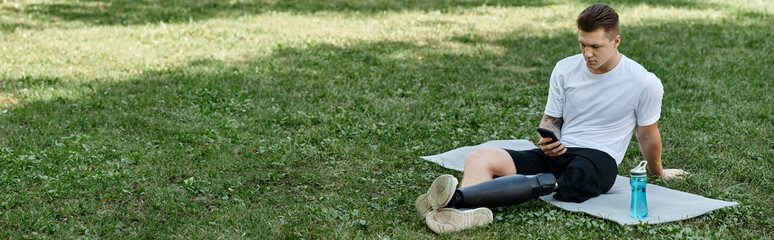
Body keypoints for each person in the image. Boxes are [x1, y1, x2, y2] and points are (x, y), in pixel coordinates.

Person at [415, 3, 687, 234]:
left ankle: (457, 201)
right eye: (582, 44)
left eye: (595, 46)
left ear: (616, 41)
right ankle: (462, 213)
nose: (587, 54)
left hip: (598, 159)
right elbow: (551, 118)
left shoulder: (644, 82)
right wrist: (546, 139)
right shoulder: (565, 69)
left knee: (578, 174)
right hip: (560, 152)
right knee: (480, 157)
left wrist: (658, 171)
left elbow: (647, 133)